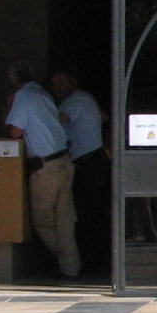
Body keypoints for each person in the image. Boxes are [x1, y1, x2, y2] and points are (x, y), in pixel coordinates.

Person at [2, 62, 79, 278]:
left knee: (43, 220)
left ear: (15, 81)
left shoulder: (24, 97)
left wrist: (9, 107)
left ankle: (66, 260)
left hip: (46, 167)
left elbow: (15, 132)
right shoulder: (44, 95)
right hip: (63, 160)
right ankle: (71, 266)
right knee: (64, 218)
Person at [50, 72, 109, 275]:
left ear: (74, 81)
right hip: (89, 161)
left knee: (84, 215)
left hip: (88, 163)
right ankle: (93, 262)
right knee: (88, 215)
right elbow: (103, 117)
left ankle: (90, 263)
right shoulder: (83, 100)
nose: (58, 86)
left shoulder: (77, 100)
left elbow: (58, 119)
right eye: (55, 82)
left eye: (63, 81)